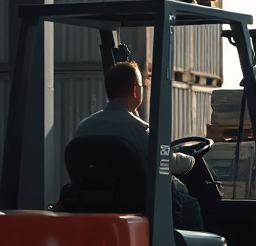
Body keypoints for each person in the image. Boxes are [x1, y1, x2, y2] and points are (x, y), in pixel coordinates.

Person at [74, 61, 204, 231]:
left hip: (95, 201)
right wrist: (191, 160)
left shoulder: (84, 127)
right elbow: (168, 162)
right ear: (136, 90)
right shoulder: (139, 129)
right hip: (138, 202)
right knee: (190, 204)